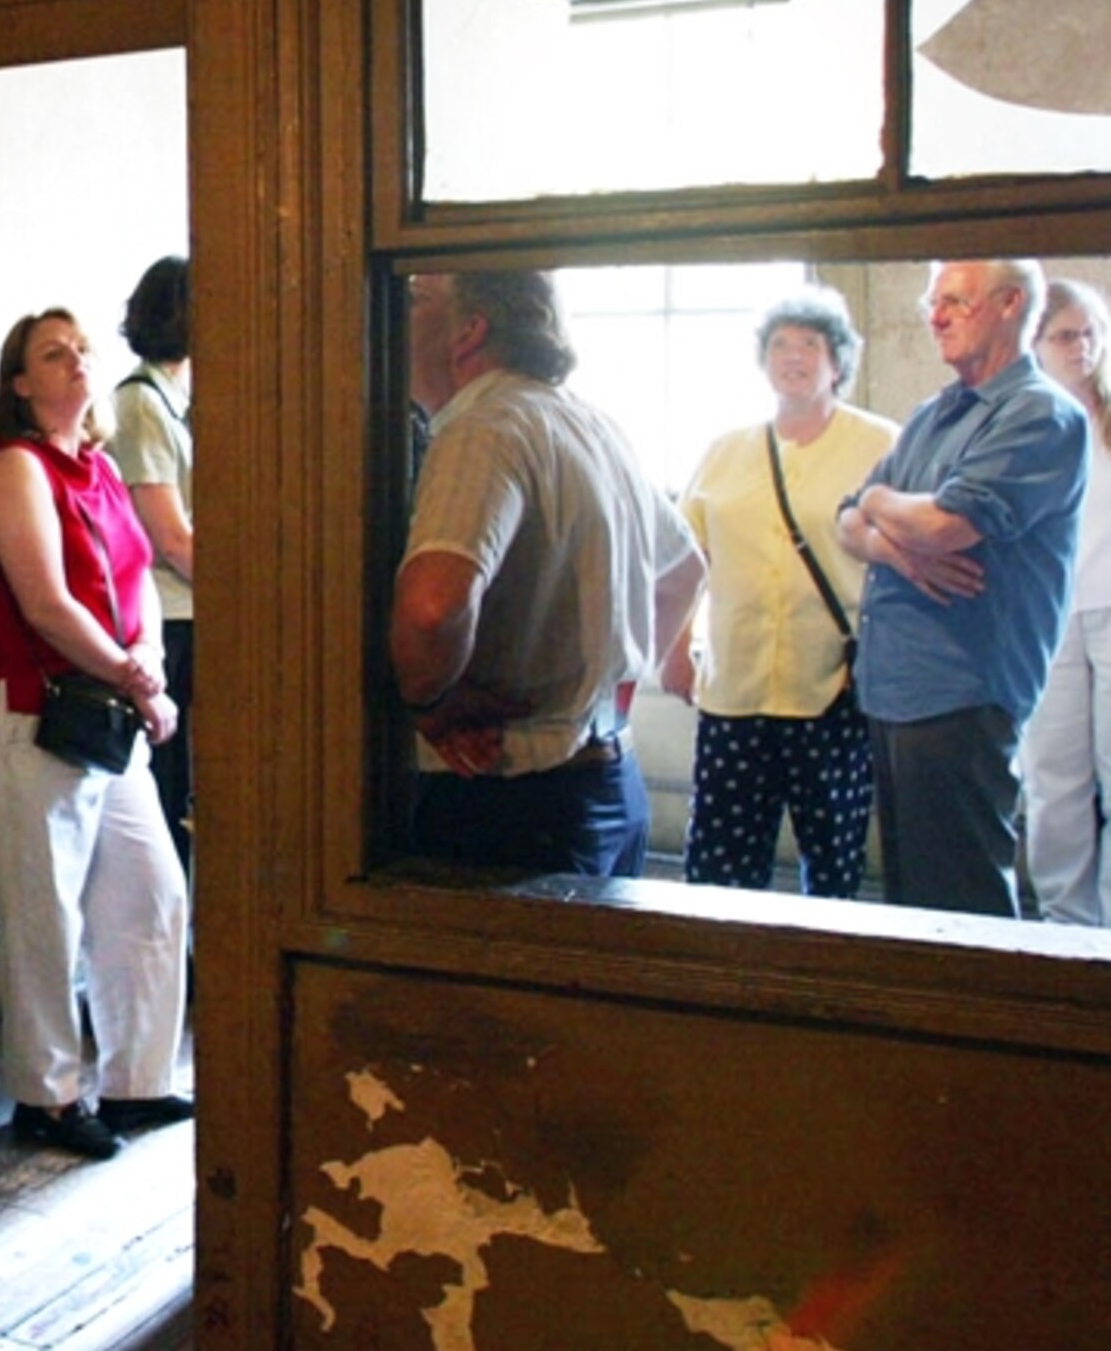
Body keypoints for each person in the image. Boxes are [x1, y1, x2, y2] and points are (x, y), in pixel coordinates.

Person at [0, 308, 193, 1160]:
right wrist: (134, 678)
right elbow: (47, 605)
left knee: (152, 893)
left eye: (82, 349)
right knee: (44, 916)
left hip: (108, 717)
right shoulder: (15, 470)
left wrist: (150, 670)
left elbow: (140, 590)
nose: (75, 363)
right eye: (52, 355)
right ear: (21, 385)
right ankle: (49, 1098)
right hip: (34, 715)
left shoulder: (97, 467)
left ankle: (137, 1082)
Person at [391, 270, 704, 879]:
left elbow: (432, 607)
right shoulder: (590, 424)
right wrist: (596, 692)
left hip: (510, 794)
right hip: (610, 778)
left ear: (469, 331)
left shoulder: (482, 429)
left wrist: (427, 700)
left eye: (412, 300)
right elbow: (685, 571)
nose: (388, 315)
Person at [838, 259, 1091, 918]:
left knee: (961, 913)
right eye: (931, 302)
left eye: (954, 301)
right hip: (896, 689)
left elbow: (946, 526)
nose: (936, 316)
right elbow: (845, 521)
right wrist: (894, 537)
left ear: (1010, 304)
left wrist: (880, 500)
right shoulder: (933, 414)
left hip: (961, 692)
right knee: (912, 910)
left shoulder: (1041, 414)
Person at [661, 290, 896, 897]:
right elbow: (691, 559)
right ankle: (719, 979)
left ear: (837, 363)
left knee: (834, 857)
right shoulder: (726, 450)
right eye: (780, 346)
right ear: (763, 362)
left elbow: (901, 564)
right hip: (734, 688)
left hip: (832, 690)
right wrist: (675, 647)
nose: (794, 357)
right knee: (719, 862)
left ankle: (824, 986)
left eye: (810, 345)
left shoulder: (882, 445)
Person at [1019, 277, 1111, 924]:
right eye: (1065, 335)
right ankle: (1067, 923)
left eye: (1090, 334)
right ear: (1036, 343)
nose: (1080, 347)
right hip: (1047, 616)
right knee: (1055, 779)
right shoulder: (1023, 422)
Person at [112, 257, 197, 866]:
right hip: (171, 617)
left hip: (189, 612)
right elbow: (168, 536)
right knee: (171, 790)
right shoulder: (142, 404)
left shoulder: (175, 400)